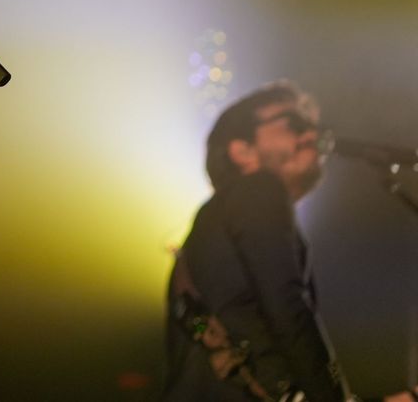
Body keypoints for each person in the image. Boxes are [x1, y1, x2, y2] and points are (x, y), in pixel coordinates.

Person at [164, 81, 418, 402]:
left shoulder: (214, 222)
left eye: (312, 126)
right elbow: (286, 305)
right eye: (294, 124)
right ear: (242, 151)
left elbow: (261, 344)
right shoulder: (258, 189)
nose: (311, 134)